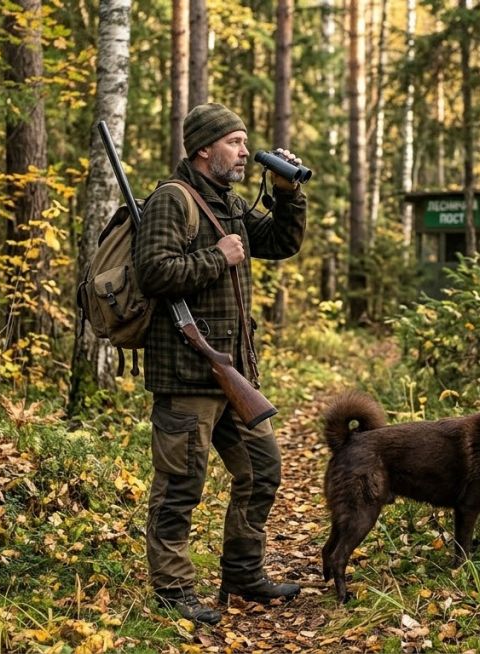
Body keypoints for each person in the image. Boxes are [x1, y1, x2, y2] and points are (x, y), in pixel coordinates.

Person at [134, 103, 307, 625]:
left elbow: (281, 242)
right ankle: (172, 592)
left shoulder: (227, 203)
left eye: (244, 141)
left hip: (234, 376)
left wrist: (287, 193)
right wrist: (218, 257)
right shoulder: (173, 200)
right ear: (204, 149)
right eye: (234, 142)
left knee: (262, 470)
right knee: (180, 486)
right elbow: (152, 272)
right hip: (187, 374)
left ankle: (243, 574)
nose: (244, 152)